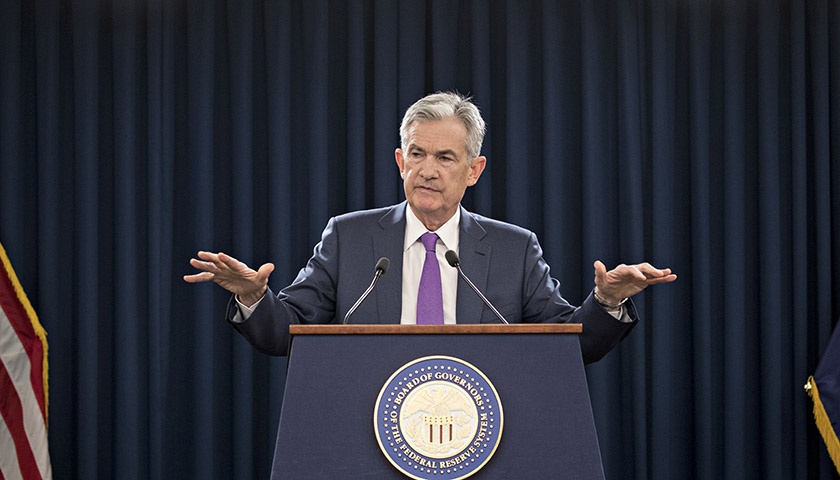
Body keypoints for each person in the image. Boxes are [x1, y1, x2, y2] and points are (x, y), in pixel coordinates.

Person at [184, 92, 676, 364]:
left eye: (445, 157)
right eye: (417, 154)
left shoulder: (514, 248)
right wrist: (253, 296)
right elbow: (286, 333)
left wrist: (607, 302)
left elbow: (570, 344)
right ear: (401, 161)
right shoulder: (350, 238)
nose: (428, 170)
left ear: (474, 170)